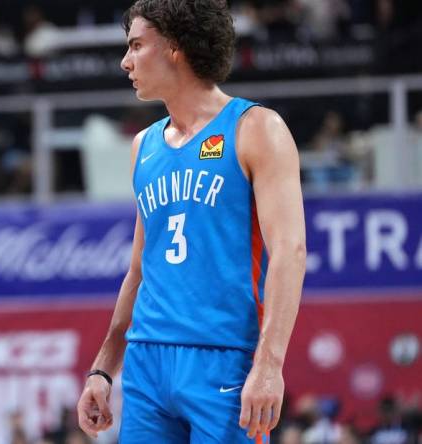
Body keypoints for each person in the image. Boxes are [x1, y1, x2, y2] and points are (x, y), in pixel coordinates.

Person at [76, 1, 306, 443]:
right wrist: (104, 367)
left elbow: (290, 253)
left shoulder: (257, 128)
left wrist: (270, 364)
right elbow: (140, 269)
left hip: (224, 358)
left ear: (175, 47)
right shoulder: (142, 146)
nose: (126, 61)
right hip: (147, 362)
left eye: (137, 46)